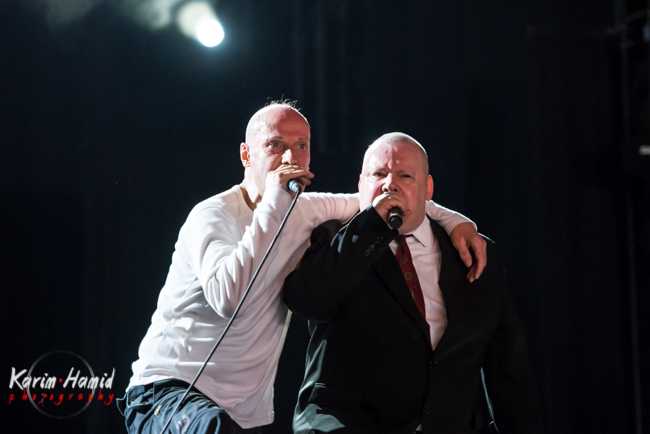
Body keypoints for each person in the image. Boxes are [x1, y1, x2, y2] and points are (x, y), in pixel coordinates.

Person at [117, 103, 488, 434]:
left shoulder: (304, 210)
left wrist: (458, 221)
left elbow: (385, 200)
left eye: (301, 146)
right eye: (275, 144)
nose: (289, 156)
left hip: (243, 416)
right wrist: (275, 204)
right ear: (246, 155)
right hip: (169, 392)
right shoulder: (213, 215)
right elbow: (229, 299)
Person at [283, 132, 543, 434]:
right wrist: (372, 228)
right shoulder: (334, 240)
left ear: (428, 188)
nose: (389, 185)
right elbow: (308, 302)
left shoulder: (474, 252)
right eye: (378, 174)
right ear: (360, 185)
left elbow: (508, 370)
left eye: (405, 175)